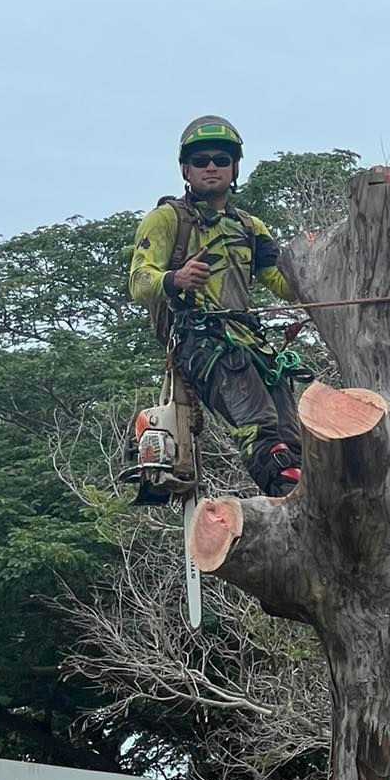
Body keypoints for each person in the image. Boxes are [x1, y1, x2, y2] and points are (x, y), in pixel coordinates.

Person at [129, 116, 308, 497]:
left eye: (221, 159)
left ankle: (298, 491)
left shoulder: (250, 227)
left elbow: (280, 284)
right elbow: (139, 280)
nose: (211, 166)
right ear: (186, 169)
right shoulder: (166, 219)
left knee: (293, 435)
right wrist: (174, 279)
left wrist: (314, 264)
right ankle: (280, 484)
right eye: (201, 160)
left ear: (235, 167)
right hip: (198, 338)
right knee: (259, 425)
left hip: (250, 340)